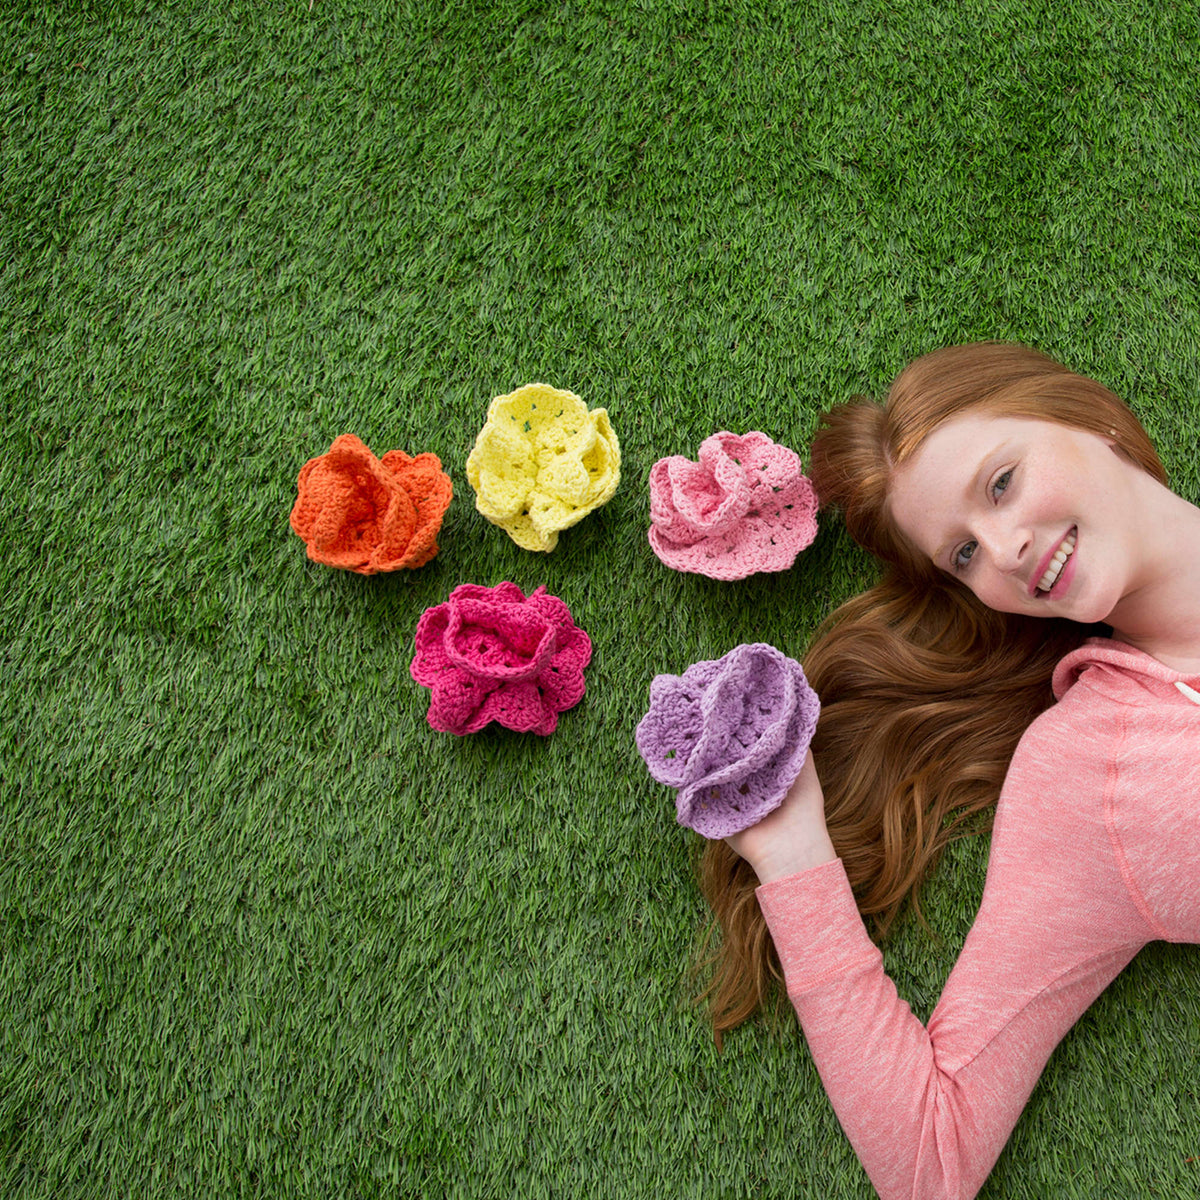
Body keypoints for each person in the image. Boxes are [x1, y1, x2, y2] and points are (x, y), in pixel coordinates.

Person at [696, 342, 1200, 1200]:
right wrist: (794, 855)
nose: (1003, 549)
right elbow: (932, 1161)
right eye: (963, 556)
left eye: (1001, 483)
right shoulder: (1094, 778)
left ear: (1094, 420)